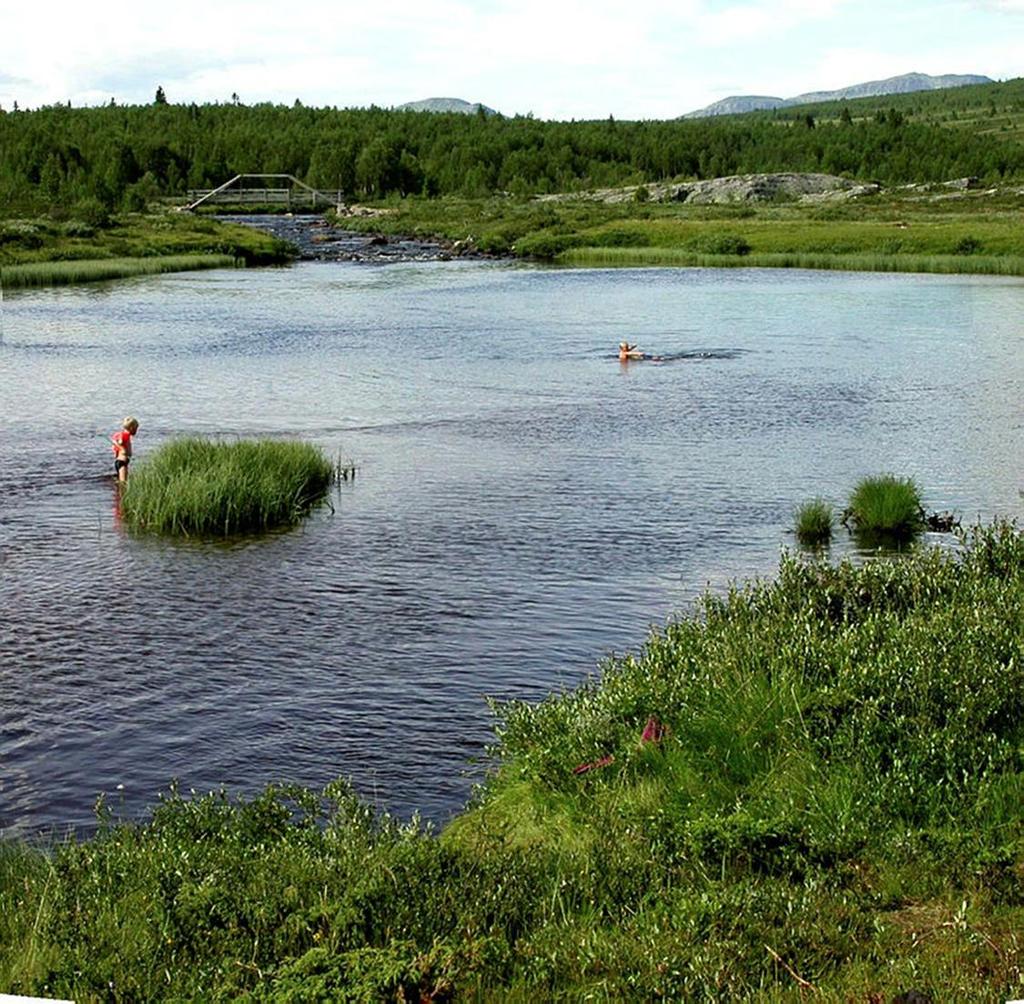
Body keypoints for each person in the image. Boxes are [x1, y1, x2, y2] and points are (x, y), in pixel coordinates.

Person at [110, 416, 139, 482]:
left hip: (119, 461)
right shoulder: (126, 435)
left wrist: (117, 450)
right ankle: (121, 492)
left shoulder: (121, 434)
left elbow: (115, 441)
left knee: (121, 481)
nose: (136, 431)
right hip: (122, 462)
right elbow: (120, 442)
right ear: (131, 428)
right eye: (136, 429)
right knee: (123, 483)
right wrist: (123, 449)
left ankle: (118, 490)